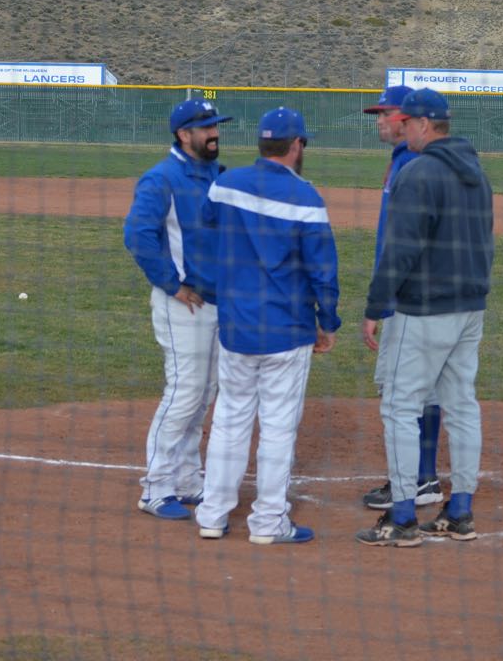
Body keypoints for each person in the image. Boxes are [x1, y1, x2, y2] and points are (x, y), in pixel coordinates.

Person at [194, 106, 341, 545]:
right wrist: (327, 322)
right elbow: (323, 271)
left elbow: (205, 230)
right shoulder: (307, 198)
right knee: (278, 428)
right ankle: (268, 522)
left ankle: (212, 515)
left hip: (236, 327)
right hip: (287, 330)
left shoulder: (226, 184)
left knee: (229, 420)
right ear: (296, 145)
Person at [355, 88, 494, 547]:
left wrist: (375, 306)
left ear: (423, 125)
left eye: (407, 122)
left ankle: (402, 517)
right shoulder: (477, 172)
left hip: (425, 310)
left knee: (400, 407)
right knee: (462, 406)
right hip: (470, 308)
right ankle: (460, 511)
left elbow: (399, 250)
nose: (403, 129)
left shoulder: (418, 172)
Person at [123, 98, 232, 520]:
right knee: (185, 393)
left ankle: (187, 479)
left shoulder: (217, 175)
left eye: (216, 126)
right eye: (206, 128)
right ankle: (155, 487)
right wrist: (172, 284)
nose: (215, 134)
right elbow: (138, 236)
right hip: (183, 306)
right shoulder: (161, 178)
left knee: (204, 394)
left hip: (218, 303)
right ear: (184, 134)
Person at [359, 85, 445, 511]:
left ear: (408, 118)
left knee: (400, 391)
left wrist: (383, 301)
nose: (379, 120)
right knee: (421, 388)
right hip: (414, 297)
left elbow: (406, 242)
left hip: (407, 299)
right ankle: (422, 476)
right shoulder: (403, 161)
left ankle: (415, 480)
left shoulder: (413, 164)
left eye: (385, 113)